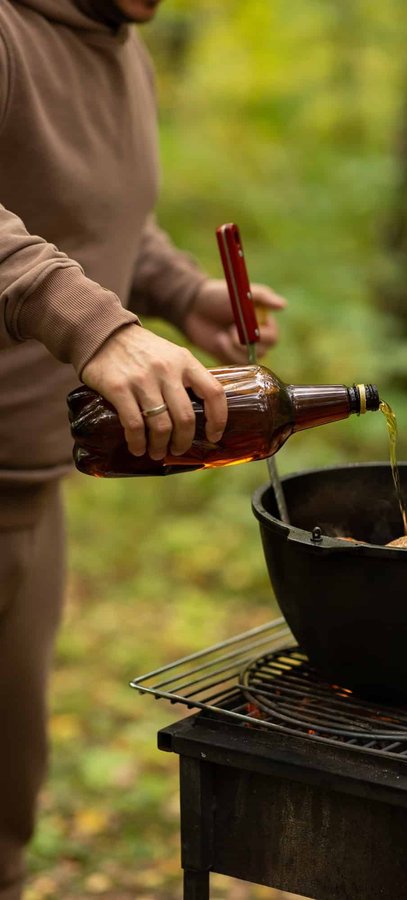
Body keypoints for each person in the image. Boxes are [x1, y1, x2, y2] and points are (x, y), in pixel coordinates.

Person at [0, 0, 285, 895]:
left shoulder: (121, 49)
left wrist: (175, 289)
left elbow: (98, 219)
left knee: (7, 793)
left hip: (30, 484)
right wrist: (95, 323)